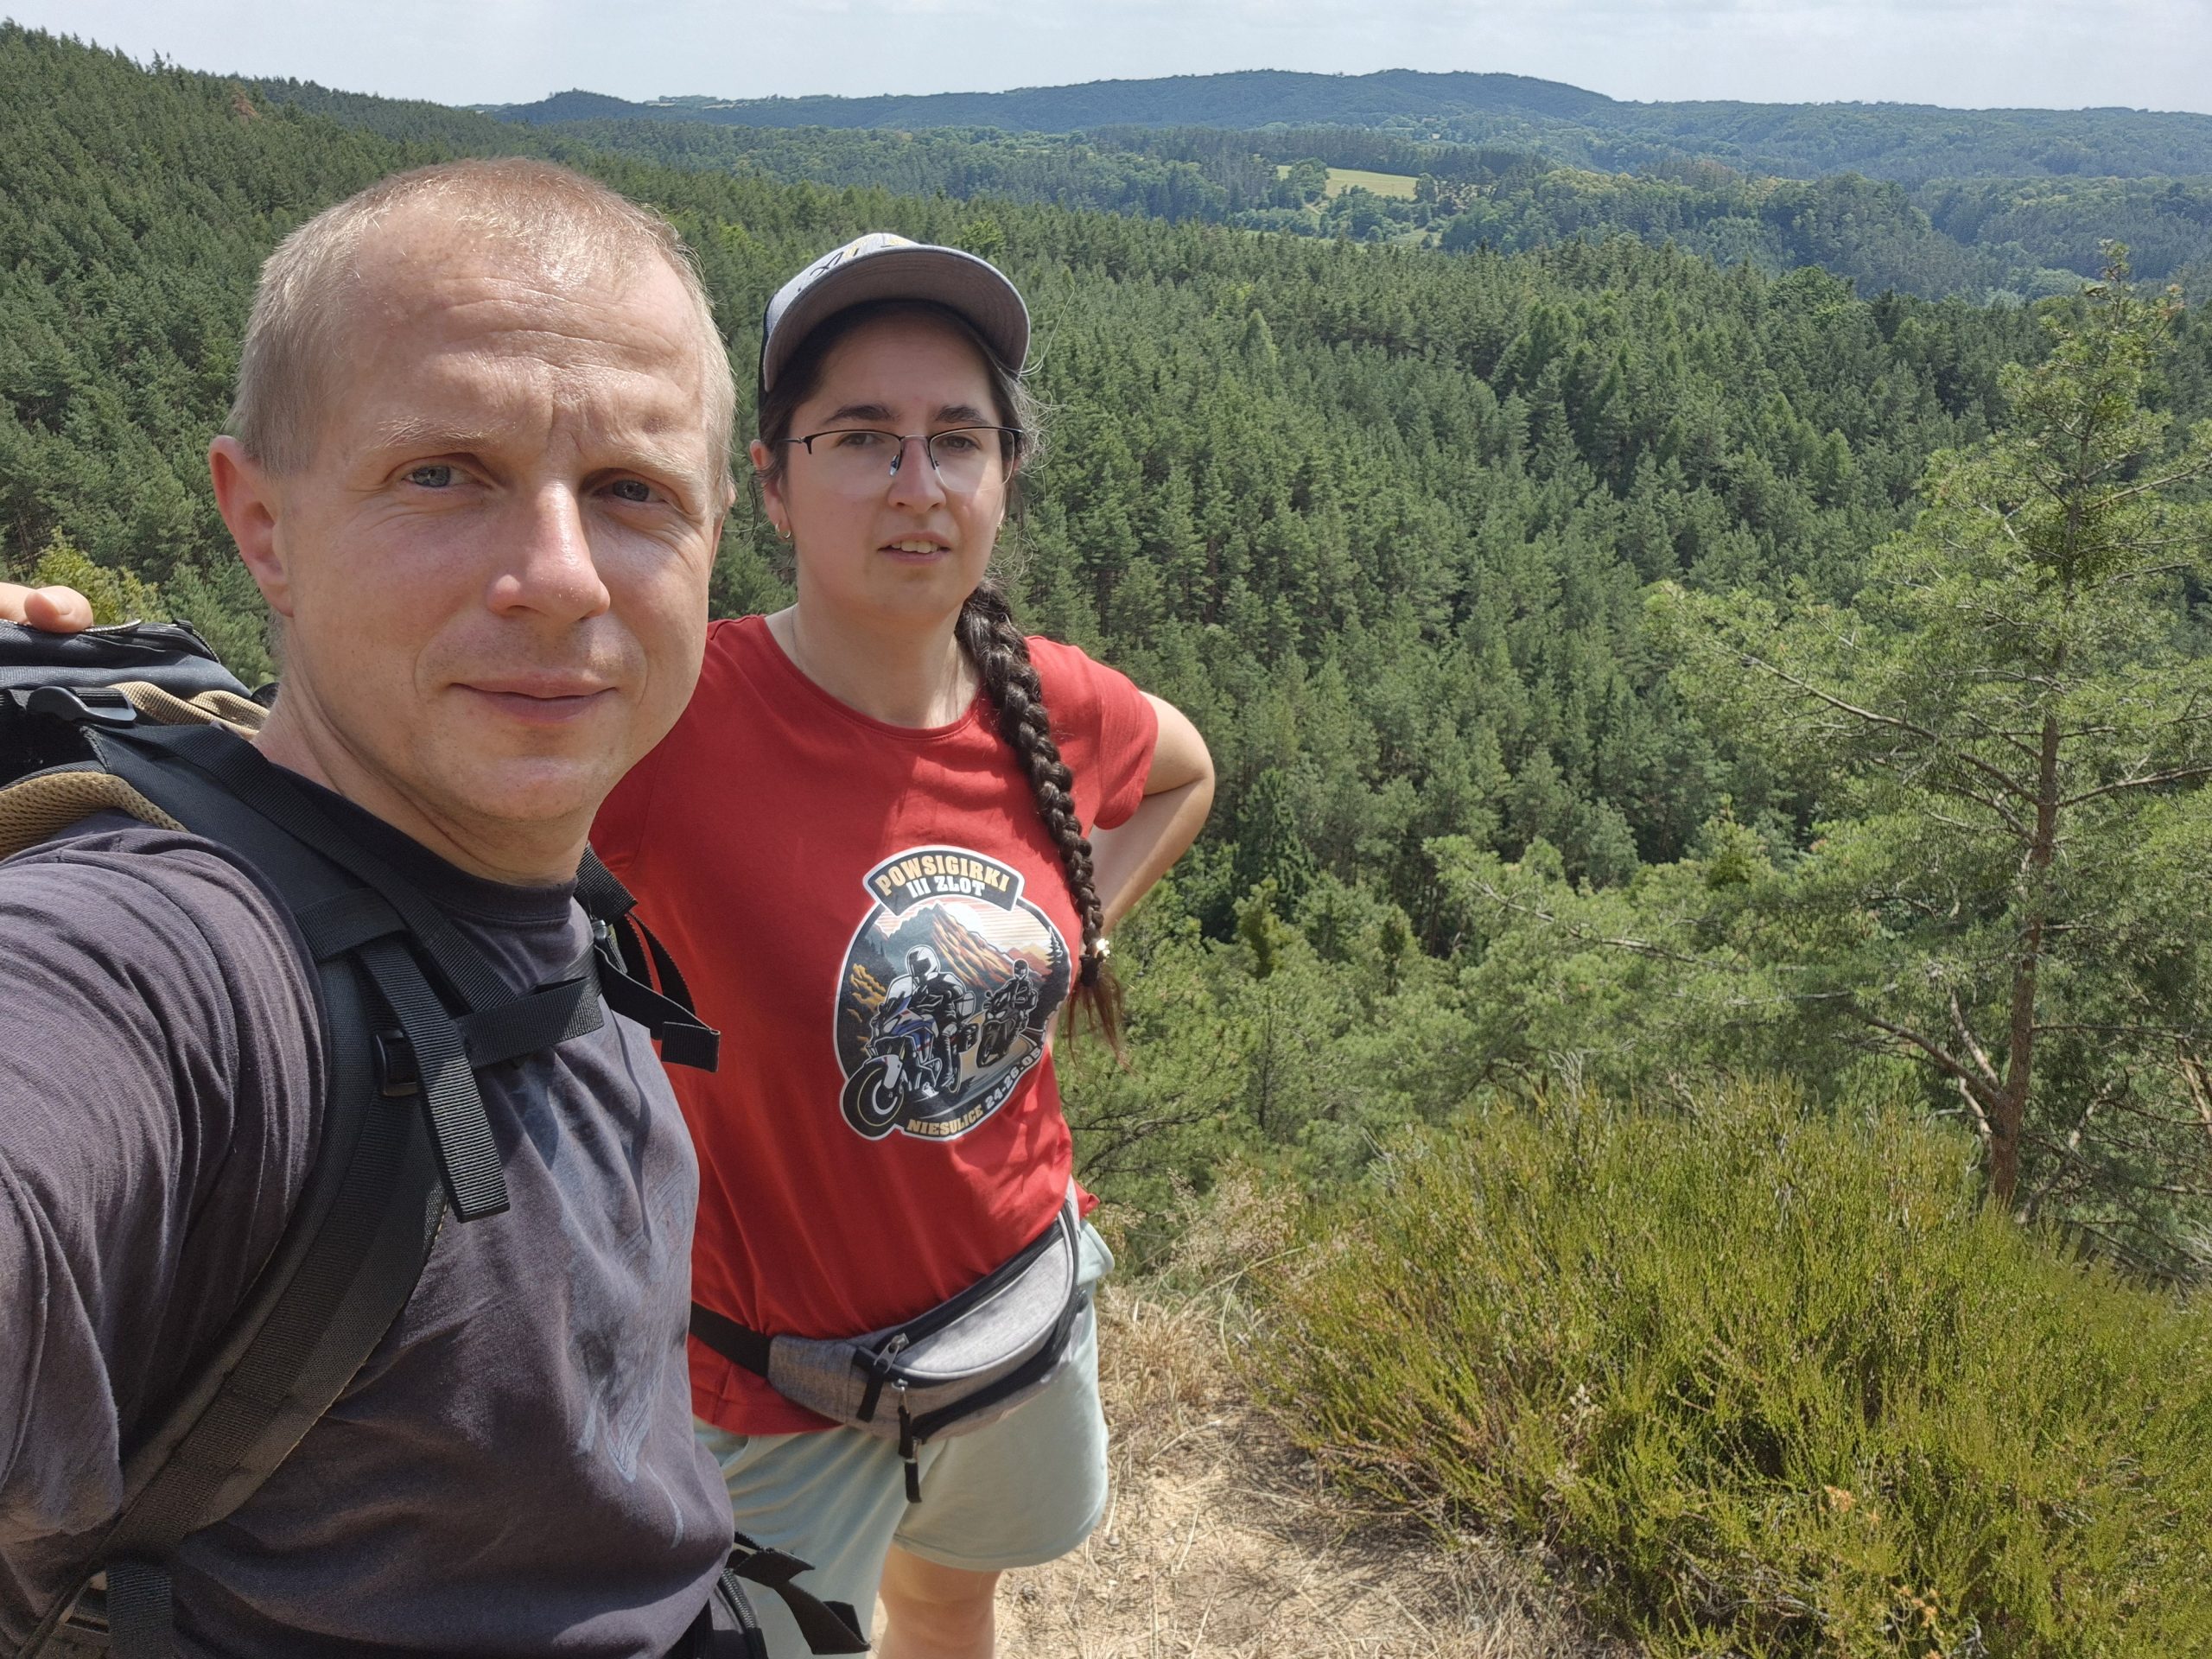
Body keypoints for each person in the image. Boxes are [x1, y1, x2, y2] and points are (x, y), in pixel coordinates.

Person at [0, 160, 746, 1655]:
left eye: (633, 490)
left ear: (716, 531)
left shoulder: (541, 895)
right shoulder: (175, 964)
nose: (560, 578)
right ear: (263, 525)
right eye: (443, 472)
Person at [588, 233, 1216, 1659]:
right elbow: (412, 792)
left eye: (957, 440)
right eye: (863, 437)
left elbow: (1182, 772)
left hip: (1012, 1314)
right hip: (773, 1381)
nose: (916, 483)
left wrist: (1067, 937)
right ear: (769, 481)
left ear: (1005, 472)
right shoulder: (676, 715)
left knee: (950, 1595)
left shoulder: (1047, 699)